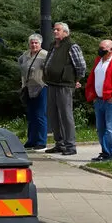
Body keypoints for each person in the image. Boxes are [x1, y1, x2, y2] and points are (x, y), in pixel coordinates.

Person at [44, 22, 86, 156]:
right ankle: (59, 144)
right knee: (53, 114)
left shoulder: (71, 46)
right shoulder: (53, 46)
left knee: (65, 115)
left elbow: (81, 66)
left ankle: (70, 145)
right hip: (51, 84)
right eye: (54, 29)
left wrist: (76, 80)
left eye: (58, 30)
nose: (55, 31)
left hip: (64, 85)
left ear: (65, 33)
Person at [85, 39, 112, 162]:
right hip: (99, 100)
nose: (100, 50)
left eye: (103, 48)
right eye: (100, 47)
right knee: (101, 128)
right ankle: (106, 152)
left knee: (111, 127)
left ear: (111, 49)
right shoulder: (98, 61)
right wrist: (92, 95)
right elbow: (93, 77)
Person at [18, 33, 49, 150]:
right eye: (32, 42)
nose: (34, 45)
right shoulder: (25, 55)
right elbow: (20, 65)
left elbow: (50, 69)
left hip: (41, 87)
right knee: (31, 115)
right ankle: (31, 140)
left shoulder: (45, 55)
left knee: (40, 115)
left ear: (40, 44)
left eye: (36, 43)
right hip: (28, 87)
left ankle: (41, 141)